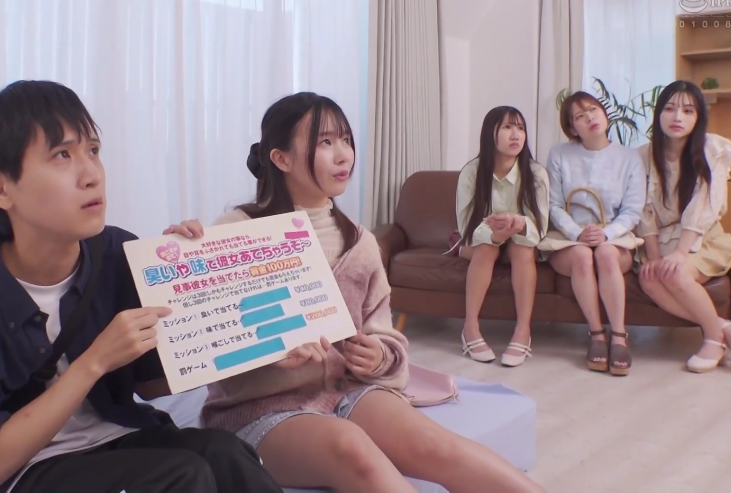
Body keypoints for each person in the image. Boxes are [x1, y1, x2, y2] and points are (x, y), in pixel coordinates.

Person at [0, 80, 283, 493]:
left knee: (227, 455)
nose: (91, 175)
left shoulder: (118, 253)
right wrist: (95, 361)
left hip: (115, 438)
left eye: (93, 151)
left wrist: (237, 336)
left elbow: (149, 384)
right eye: (62, 155)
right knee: (181, 475)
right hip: (19, 470)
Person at [164, 92, 544, 493]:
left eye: (345, 139)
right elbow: (204, 342)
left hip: (348, 389)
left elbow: (385, 337)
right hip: (258, 410)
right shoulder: (234, 232)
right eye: (325, 142)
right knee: (352, 448)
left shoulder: (360, 244)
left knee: (435, 444)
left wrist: (378, 355)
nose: (343, 154)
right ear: (281, 159)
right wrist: (179, 257)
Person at [634, 80, 731, 373]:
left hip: (702, 238)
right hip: (661, 240)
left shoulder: (712, 148)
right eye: (670, 109)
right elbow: (644, 211)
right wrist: (654, 257)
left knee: (677, 273)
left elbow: (704, 206)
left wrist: (680, 253)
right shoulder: (643, 155)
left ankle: (712, 339)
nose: (678, 117)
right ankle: (723, 327)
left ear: (699, 117)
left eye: (688, 111)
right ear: (658, 114)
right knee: (650, 279)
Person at [540, 91, 646, 376]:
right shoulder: (559, 154)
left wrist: (606, 234)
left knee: (606, 255)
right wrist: (577, 233)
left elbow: (632, 211)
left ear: (604, 114)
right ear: (573, 128)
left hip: (614, 236)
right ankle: (597, 334)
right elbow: (553, 204)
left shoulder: (630, 158)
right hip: (569, 238)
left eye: (593, 110)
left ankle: (619, 336)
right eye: (579, 116)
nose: (589, 117)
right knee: (582, 257)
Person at [450, 106, 549, 367]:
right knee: (487, 247)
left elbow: (540, 227)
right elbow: (466, 225)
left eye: (520, 128)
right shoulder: (472, 172)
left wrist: (519, 224)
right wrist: (495, 233)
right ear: (489, 133)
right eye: (507, 127)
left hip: (520, 243)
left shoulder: (536, 173)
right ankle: (470, 327)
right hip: (482, 242)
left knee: (522, 248)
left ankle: (523, 331)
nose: (515, 135)